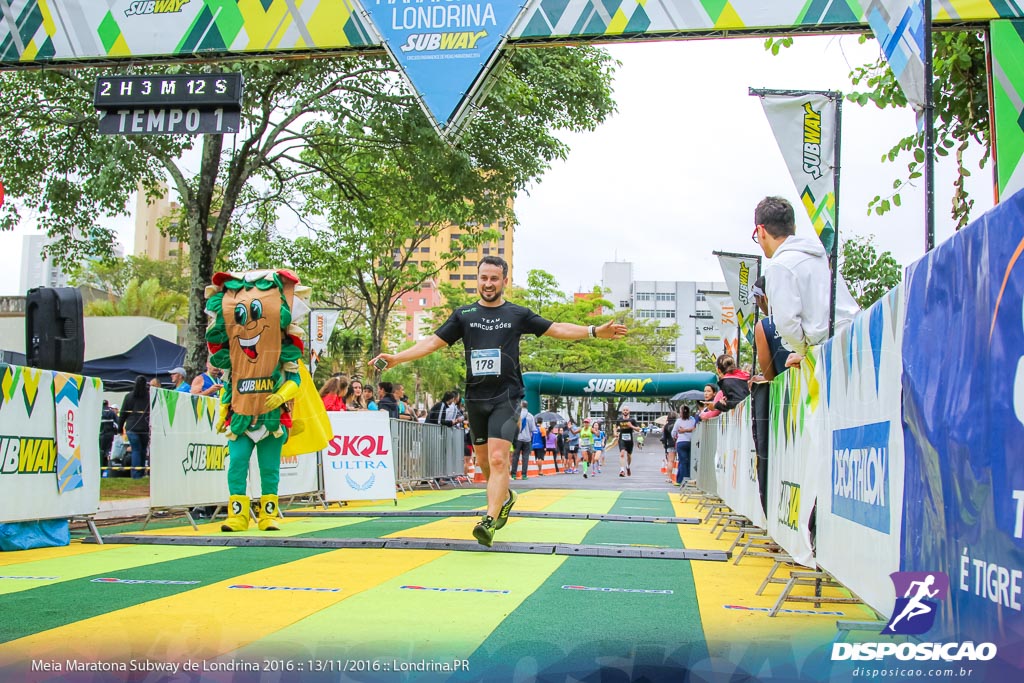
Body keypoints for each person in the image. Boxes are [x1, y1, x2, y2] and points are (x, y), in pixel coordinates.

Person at [369, 255, 627, 546]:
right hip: (476, 398)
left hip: (507, 397)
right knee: (486, 465)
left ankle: (488, 521)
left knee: (497, 458)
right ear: (477, 280)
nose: (488, 283)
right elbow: (431, 342)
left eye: (494, 278)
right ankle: (506, 498)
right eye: (484, 278)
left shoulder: (517, 314)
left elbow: (557, 329)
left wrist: (594, 332)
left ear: (505, 281)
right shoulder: (464, 315)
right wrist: (395, 359)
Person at [752, 196, 860, 369]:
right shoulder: (819, 256)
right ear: (793, 227)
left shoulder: (779, 265)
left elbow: (787, 323)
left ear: (761, 230)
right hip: (857, 335)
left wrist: (803, 353)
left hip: (831, 351)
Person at [118, 375, 151, 479]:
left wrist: (120, 428)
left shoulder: (128, 396)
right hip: (145, 428)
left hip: (132, 427)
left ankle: (136, 475)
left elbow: (123, 414)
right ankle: (141, 473)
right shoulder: (149, 397)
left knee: (136, 450)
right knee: (143, 450)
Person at [672, 406, 698, 484]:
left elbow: (673, 432)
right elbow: (694, 429)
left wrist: (675, 437)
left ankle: (681, 479)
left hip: (681, 442)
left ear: (681, 412)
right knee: (689, 461)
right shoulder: (693, 420)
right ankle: (689, 478)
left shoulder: (678, 421)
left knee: (682, 462)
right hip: (691, 442)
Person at [511, 401, 535, 481]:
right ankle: (524, 475)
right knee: (525, 457)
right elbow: (533, 429)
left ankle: (513, 474)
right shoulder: (531, 416)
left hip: (517, 438)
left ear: (521, 405)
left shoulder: (516, 415)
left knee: (515, 457)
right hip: (527, 439)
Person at [614, 407, 641, 477]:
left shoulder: (632, 420)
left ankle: (628, 467)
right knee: (622, 454)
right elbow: (615, 427)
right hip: (621, 439)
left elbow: (638, 429)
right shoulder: (619, 419)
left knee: (629, 455)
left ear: (629, 411)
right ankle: (622, 470)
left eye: (627, 410)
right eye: (624, 410)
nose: (625, 411)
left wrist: (631, 426)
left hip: (629, 440)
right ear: (622, 411)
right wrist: (615, 433)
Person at [99, 400, 118, 468]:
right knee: (108, 452)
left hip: (101, 435)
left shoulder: (98, 412)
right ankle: (107, 467)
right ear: (107, 404)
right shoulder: (112, 412)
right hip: (110, 435)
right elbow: (117, 424)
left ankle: (101, 467)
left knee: (100, 451)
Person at [661, 412, 677, 483]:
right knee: (680, 461)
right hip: (679, 442)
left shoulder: (666, 426)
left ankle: (669, 478)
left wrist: (665, 446)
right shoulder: (678, 424)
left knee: (670, 461)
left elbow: (664, 438)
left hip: (670, 444)